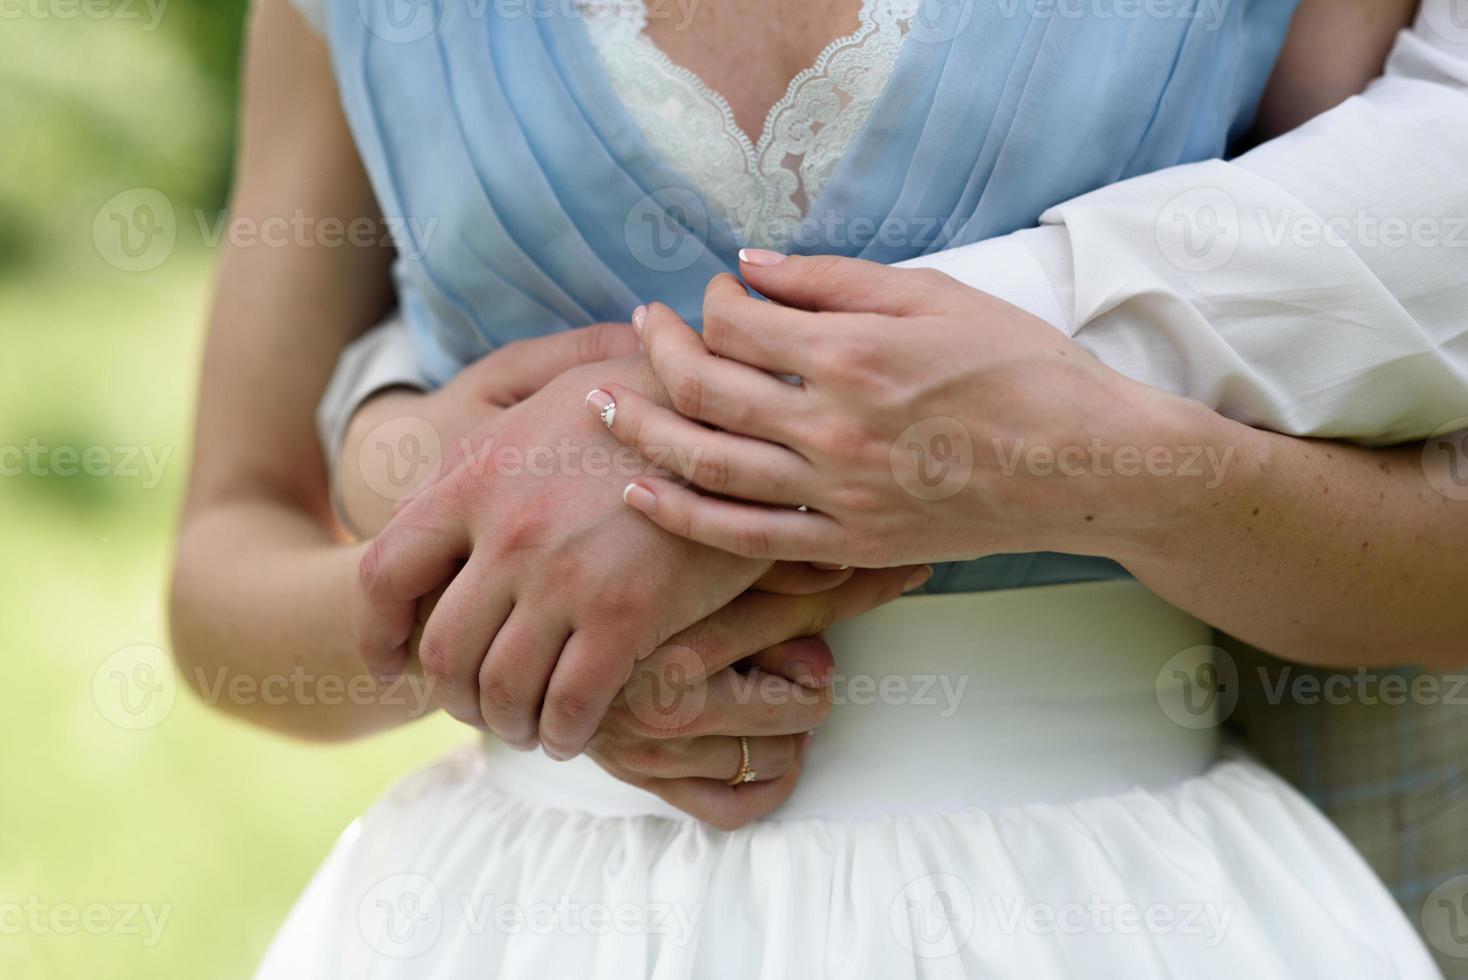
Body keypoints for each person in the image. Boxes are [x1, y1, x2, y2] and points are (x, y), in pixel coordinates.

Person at [169, 0, 1465, 975]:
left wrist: (1098, 465)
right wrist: (489, 605)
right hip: (527, 918)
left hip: (1122, 912)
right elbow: (226, 561)